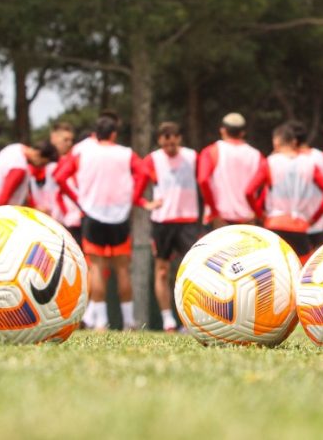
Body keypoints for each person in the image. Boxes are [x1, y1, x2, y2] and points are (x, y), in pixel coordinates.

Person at [54, 113, 148, 331]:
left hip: (92, 214)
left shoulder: (83, 153)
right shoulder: (126, 153)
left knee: (96, 268)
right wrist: (134, 198)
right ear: (114, 134)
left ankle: (100, 321)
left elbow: (59, 177)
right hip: (119, 216)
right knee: (122, 269)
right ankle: (129, 322)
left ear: (96, 135)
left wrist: (78, 199)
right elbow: (144, 172)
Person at [245, 123, 323, 261]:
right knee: (302, 268)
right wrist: (314, 218)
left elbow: (249, 192)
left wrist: (260, 215)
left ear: (276, 142)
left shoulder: (270, 162)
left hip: (275, 223)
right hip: (299, 224)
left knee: (275, 266)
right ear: (294, 142)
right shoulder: (309, 164)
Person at [143, 122, 200, 332]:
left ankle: (190, 319)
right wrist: (145, 203)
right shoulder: (153, 159)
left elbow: (205, 181)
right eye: (165, 143)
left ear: (179, 139)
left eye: (173, 142)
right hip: (162, 221)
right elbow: (136, 184)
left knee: (192, 271)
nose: (169, 147)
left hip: (187, 220)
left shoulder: (192, 157)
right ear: (159, 141)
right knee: (162, 271)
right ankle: (168, 320)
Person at [197, 113, 263, 227]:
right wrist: (258, 212)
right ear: (242, 133)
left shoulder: (211, 151)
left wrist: (214, 212)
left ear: (223, 130)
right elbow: (265, 186)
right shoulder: (256, 155)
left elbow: (203, 180)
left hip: (219, 220)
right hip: (247, 220)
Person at [29, 122, 82, 241]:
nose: (69, 143)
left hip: (67, 222)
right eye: (66, 139)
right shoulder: (41, 163)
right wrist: (35, 208)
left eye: (71, 140)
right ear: (54, 137)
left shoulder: (71, 161)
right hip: (45, 222)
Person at [0, 140, 58, 212]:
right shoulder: (19, 167)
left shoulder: (16, 148)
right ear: (38, 154)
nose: (41, 167)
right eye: (43, 163)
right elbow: (3, 198)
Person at [290, 121, 323, 248]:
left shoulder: (294, 160)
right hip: (318, 221)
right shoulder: (320, 155)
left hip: (296, 222)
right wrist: (315, 218)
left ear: (292, 141)